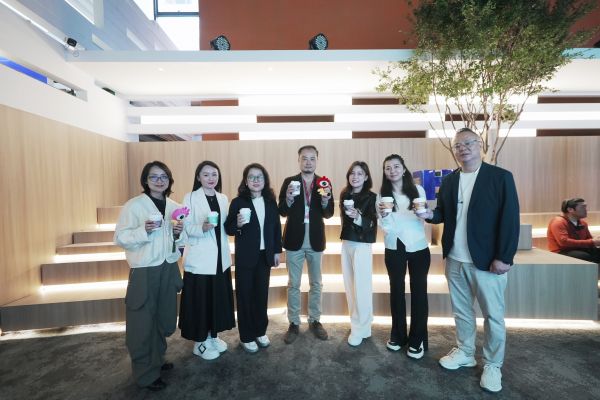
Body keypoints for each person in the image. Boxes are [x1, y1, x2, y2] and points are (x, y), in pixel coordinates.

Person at [417, 127, 520, 393]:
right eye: (458, 145)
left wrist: (504, 257)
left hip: (487, 261)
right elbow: (443, 213)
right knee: (462, 311)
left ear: (480, 145)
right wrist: (429, 215)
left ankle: (493, 364)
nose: (462, 148)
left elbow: (510, 219)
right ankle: (465, 352)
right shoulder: (451, 180)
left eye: (468, 143)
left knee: (493, 316)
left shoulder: (500, 177)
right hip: (454, 258)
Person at [114, 161, 184, 392]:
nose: (159, 181)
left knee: (164, 318)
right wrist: (144, 230)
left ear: (169, 180)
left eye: (164, 177)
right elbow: (120, 237)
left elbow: (180, 241)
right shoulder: (134, 206)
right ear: (145, 180)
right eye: (154, 177)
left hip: (168, 267)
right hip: (144, 270)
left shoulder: (175, 206)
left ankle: (157, 359)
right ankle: (145, 374)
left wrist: (178, 234)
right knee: (142, 322)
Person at [178, 161, 235, 361]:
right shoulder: (190, 197)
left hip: (220, 259)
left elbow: (226, 227)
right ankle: (200, 342)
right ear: (198, 177)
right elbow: (184, 226)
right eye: (206, 174)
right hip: (200, 259)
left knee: (215, 300)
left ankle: (212, 335)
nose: (211, 178)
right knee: (200, 301)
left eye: (214, 174)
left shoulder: (223, 198)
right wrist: (201, 228)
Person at [278, 145, 334, 343]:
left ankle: (315, 320)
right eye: (304, 158)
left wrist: (326, 200)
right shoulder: (289, 182)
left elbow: (329, 213)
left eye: (312, 158)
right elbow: (282, 211)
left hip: (316, 239)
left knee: (316, 283)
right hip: (294, 239)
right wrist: (288, 199)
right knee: (293, 284)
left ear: (317, 160)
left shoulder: (324, 182)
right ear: (299, 160)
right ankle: (294, 323)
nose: (308, 162)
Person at [225, 163, 283, 353]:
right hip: (246, 257)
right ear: (245, 181)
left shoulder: (270, 201)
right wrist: (238, 224)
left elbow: (276, 228)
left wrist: (277, 251)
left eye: (259, 177)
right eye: (251, 177)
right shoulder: (237, 202)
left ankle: (260, 331)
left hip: (265, 256)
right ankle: (246, 336)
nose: (256, 180)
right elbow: (228, 228)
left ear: (265, 180)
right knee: (244, 296)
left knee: (261, 295)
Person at [377, 154, 431, 359]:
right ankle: (398, 336)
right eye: (388, 168)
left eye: (396, 166)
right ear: (385, 172)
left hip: (418, 245)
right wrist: (385, 216)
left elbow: (422, 218)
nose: (392, 170)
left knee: (419, 293)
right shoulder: (382, 195)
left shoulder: (418, 190)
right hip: (394, 246)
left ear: (403, 168)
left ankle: (417, 340)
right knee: (396, 292)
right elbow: (386, 227)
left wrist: (423, 213)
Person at [339, 161, 377, 347]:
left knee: (362, 287)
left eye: (360, 173)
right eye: (352, 173)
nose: (355, 177)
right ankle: (359, 324)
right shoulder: (345, 194)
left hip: (362, 245)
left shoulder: (372, 197)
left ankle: (360, 327)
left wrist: (358, 217)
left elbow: (372, 223)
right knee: (350, 286)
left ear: (366, 177)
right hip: (347, 242)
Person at [547, 198, 600, 263]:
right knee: (584, 256)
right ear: (570, 209)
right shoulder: (558, 222)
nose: (586, 210)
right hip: (561, 252)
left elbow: (588, 239)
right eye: (582, 207)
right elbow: (564, 242)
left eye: (585, 207)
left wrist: (596, 239)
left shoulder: (583, 223)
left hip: (578, 249)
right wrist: (592, 242)